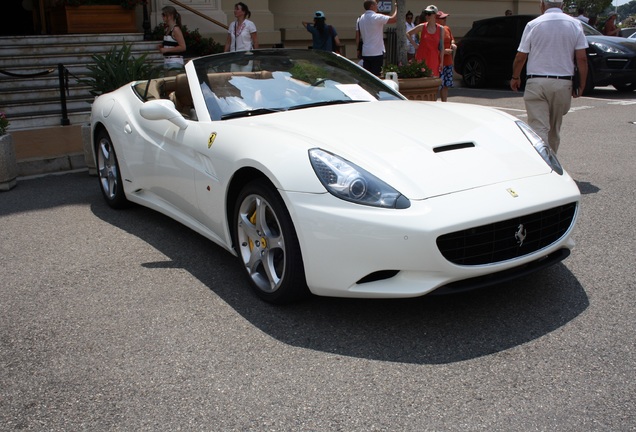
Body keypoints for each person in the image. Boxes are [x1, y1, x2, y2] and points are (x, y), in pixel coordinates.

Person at [510, 0, 588, 154]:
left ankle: (542, 164)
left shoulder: (533, 24)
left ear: (542, 5)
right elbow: (582, 58)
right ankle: (552, 163)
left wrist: (515, 76)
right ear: (562, 6)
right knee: (554, 129)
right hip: (563, 82)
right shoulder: (575, 24)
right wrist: (582, 84)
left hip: (536, 81)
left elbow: (521, 56)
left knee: (538, 128)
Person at [356, 0, 398, 76]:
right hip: (376, 52)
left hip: (366, 52)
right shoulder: (376, 17)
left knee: (367, 77)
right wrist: (397, 7)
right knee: (376, 76)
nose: (377, 6)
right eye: (376, 4)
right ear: (371, 6)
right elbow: (394, 19)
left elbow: (357, 35)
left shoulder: (361, 18)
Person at [407, 5, 444, 78]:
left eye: (429, 14)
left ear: (435, 15)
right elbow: (408, 34)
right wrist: (415, 45)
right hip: (421, 59)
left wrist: (441, 62)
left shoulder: (441, 29)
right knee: (421, 82)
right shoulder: (422, 26)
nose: (427, 16)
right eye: (426, 13)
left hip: (434, 59)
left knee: (433, 82)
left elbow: (442, 47)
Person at [158, 6, 186, 76]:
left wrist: (166, 50)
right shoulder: (167, 29)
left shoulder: (175, 29)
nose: (162, 17)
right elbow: (171, 43)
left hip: (175, 61)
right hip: (167, 60)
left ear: (170, 16)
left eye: (164, 15)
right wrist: (162, 47)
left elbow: (183, 47)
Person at [436, 10, 456, 102]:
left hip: (448, 62)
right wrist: (444, 51)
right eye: (443, 18)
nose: (445, 19)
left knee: (446, 85)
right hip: (439, 63)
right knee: (438, 85)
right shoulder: (435, 30)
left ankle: (444, 103)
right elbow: (433, 48)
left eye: (445, 18)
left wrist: (452, 44)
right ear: (437, 19)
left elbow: (452, 39)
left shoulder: (447, 28)